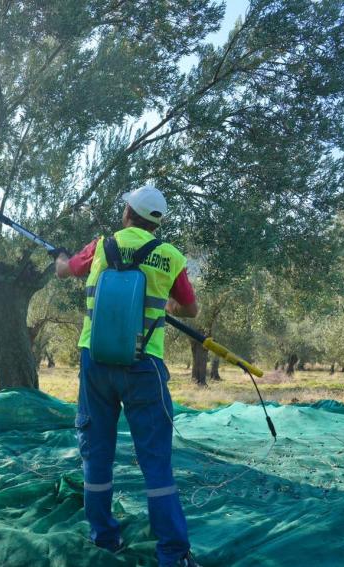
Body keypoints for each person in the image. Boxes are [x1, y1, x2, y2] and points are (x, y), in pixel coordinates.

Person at [54, 185, 200, 567]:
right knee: (156, 462)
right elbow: (191, 310)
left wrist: (62, 257)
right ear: (156, 222)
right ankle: (172, 553)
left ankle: (104, 537)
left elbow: (65, 271)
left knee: (97, 455)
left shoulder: (101, 246)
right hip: (144, 368)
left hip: (96, 363)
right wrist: (164, 302)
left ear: (127, 212)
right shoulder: (170, 256)